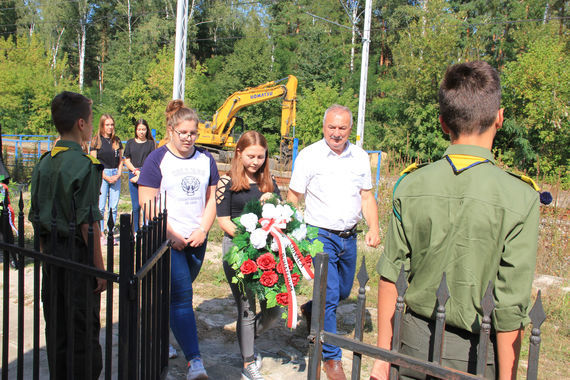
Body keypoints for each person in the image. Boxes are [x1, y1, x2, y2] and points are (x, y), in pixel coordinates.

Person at [370, 61, 540, 380]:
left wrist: (382, 357)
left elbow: (390, 273)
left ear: (443, 123)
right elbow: (509, 307)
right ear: (499, 118)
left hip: (411, 348)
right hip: (480, 357)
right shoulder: (520, 197)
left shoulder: (410, 184)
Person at [287, 104, 381, 380]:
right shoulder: (309, 156)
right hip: (319, 235)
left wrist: (374, 226)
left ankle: (310, 309)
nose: (336, 133)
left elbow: (366, 197)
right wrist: (288, 228)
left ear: (350, 129)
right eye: (332, 127)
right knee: (329, 297)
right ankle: (331, 358)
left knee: (341, 292)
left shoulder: (360, 157)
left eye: (342, 128)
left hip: (348, 237)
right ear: (323, 127)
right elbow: (294, 196)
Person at [138, 99, 218, 380]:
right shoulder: (157, 159)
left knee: (171, 296)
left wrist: (203, 230)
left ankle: (157, 338)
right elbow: (146, 202)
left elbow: (211, 199)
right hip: (166, 241)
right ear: (171, 130)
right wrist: (169, 235)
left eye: (193, 133)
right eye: (183, 132)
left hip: (196, 239)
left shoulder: (206, 159)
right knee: (182, 297)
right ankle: (195, 363)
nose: (188, 137)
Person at [29, 91, 106, 379]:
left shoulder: (44, 162)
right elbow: (88, 224)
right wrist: (99, 269)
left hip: (49, 253)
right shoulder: (84, 165)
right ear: (82, 124)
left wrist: (43, 252)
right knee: (82, 325)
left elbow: (36, 217)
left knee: (57, 322)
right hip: (76, 255)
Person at [216, 131, 282, 380]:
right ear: (238, 154)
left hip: (267, 251)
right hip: (237, 249)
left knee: (273, 310)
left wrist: (273, 199)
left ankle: (246, 339)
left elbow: (282, 212)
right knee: (246, 307)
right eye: (251, 156)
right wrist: (248, 241)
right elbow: (223, 221)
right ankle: (248, 363)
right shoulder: (227, 182)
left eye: (260, 157)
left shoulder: (269, 181)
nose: (255, 161)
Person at [89, 114, 123, 235]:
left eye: (112, 125)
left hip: (115, 173)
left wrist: (118, 174)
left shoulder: (116, 140)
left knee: (113, 207)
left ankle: (110, 230)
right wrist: (105, 176)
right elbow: (94, 162)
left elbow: (120, 160)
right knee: (101, 206)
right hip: (102, 174)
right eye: (107, 125)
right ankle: (100, 232)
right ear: (102, 125)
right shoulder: (96, 140)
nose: (110, 127)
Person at [123, 119, 156, 233]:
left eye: (143, 129)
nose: (141, 132)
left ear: (147, 130)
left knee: (145, 205)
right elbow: (126, 160)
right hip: (133, 173)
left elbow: (152, 160)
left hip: (146, 174)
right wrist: (136, 171)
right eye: (139, 129)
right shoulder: (130, 143)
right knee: (136, 206)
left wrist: (142, 173)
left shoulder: (151, 144)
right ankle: (136, 231)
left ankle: (146, 230)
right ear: (136, 130)